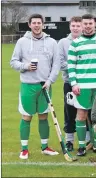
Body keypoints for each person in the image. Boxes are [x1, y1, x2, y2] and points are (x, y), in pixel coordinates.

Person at [11, 13, 61, 159]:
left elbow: (56, 64)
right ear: (29, 24)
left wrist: (50, 80)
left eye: (39, 23)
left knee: (44, 116)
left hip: (45, 85)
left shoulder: (52, 42)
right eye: (34, 23)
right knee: (26, 116)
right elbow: (13, 62)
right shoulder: (22, 42)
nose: (37, 25)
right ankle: (24, 149)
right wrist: (26, 66)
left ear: (43, 24)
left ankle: (45, 147)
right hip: (28, 85)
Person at [67, 14, 96, 156]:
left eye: (90, 23)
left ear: (95, 25)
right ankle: (81, 146)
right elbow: (71, 66)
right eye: (85, 24)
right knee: (81, 115)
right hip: (83, 87)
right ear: (81, 25)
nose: (88, 26)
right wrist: (74, 84)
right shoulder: (75, 43)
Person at [58, 16, 83, 152]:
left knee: (86, 112)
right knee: (69, 112)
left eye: (78, 26)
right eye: (73, 26)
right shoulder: (63, 43)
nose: (75, 28)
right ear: (70, 27)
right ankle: (69, 141)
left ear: (82, 27)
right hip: (69, 83)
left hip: (85, 83)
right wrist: (75, 66)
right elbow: (60, 62)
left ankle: (86, 141)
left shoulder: (85, 41)